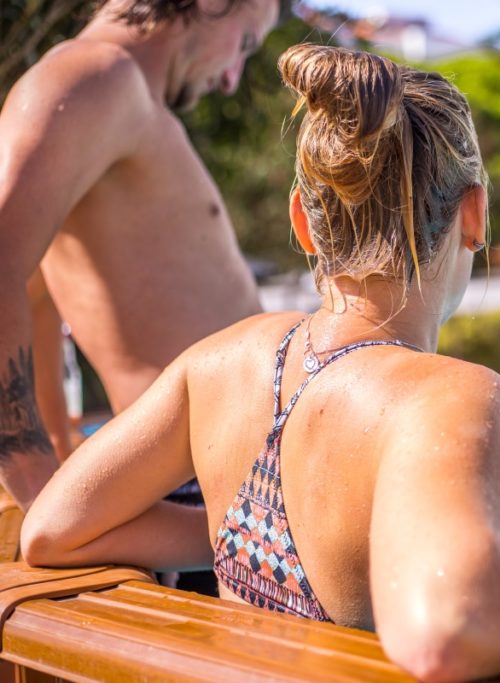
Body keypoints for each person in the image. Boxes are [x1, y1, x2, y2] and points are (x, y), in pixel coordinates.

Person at [21, 46, 500, 680]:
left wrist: (228, 534)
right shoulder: (449, 398)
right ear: (473, 215)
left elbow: (51, 529)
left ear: (302, 220)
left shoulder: (223, 364)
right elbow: (446, 629)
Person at [0, 0, 279, 511]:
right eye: (244, 44)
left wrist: (59, 448)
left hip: (217, 477)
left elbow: (33, 293)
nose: (232, 79)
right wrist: (31, 475)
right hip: (193, 485)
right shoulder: (93, 74)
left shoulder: (120, 95)